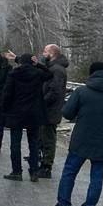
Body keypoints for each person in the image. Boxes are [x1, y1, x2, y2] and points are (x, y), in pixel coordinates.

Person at [47, 61, 103, 206]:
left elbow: (67, 113)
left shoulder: (81, 91)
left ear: (91, 74)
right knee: (96, 177)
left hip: (81, 140)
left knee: (69, 173)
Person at [1, 50, 50, 181]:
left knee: (15, 143)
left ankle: (17, 171)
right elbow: (49, 74)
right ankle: (34, 172)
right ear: (32, 62)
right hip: (34, 114)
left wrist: (5, 109)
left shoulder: (14, 74)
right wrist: (38, 64)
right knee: (33, 143)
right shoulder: (38, 74)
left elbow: (7, 93)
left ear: (20, 63)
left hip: (16, 113)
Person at [37, 43, 69, 178]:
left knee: (48, 138)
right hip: (47, 110)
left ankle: (46, 166)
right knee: (43, 137)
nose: (43, 54)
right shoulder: (51, 67)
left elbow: (55, 91)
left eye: (45, 52)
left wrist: (43, 102)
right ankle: (42, 160)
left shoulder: (57, 70)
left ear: (52, 53)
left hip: (50, 110)